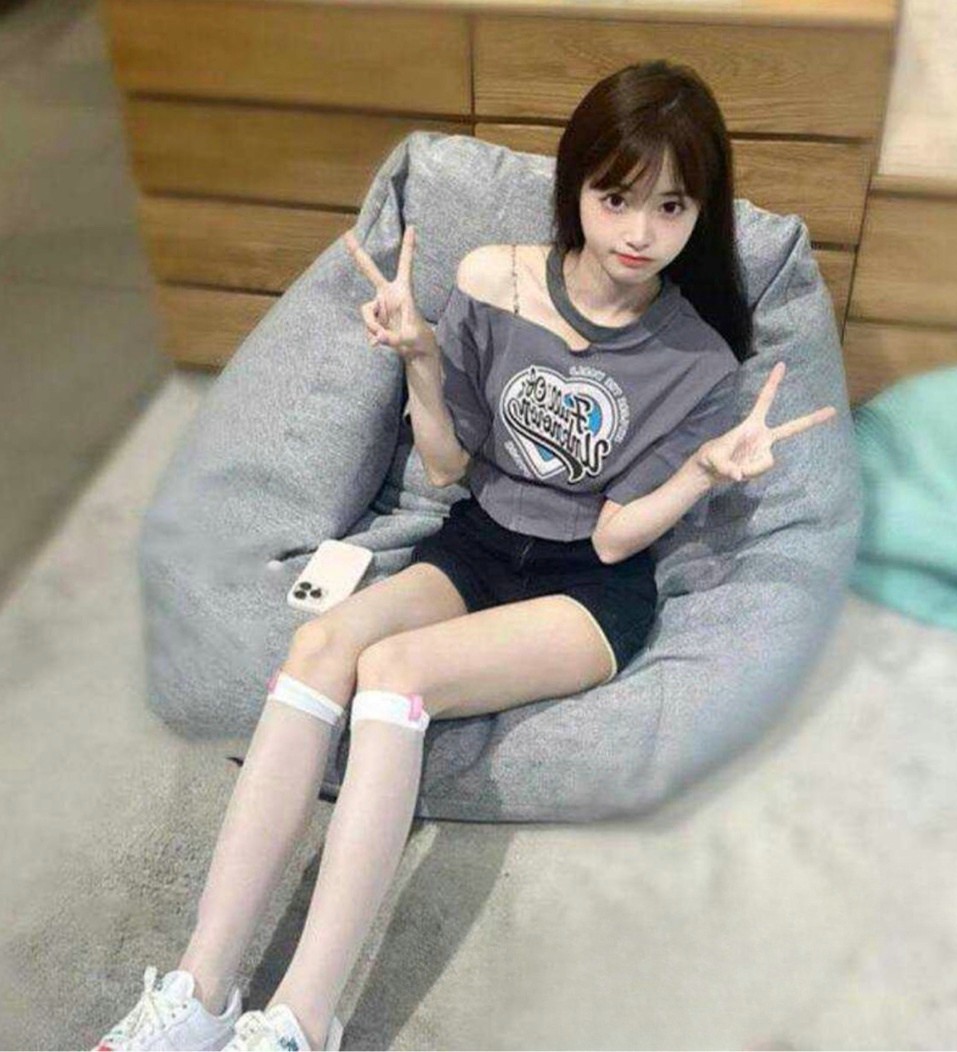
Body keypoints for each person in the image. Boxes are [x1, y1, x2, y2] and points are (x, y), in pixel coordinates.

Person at [91, 59, 837, 1052]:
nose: (638, 232)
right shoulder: (493, 280)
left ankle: (299, 1022)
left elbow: (615, 535)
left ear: (701, 215)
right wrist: (421, 356)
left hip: (591, 587)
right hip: (478, 540)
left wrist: (704, 468)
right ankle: (201, 990)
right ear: (577, 185)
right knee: (320, 647)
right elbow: (446, 467)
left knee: (394, 675)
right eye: (617, 196)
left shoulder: (696, 356)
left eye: (672, 206)